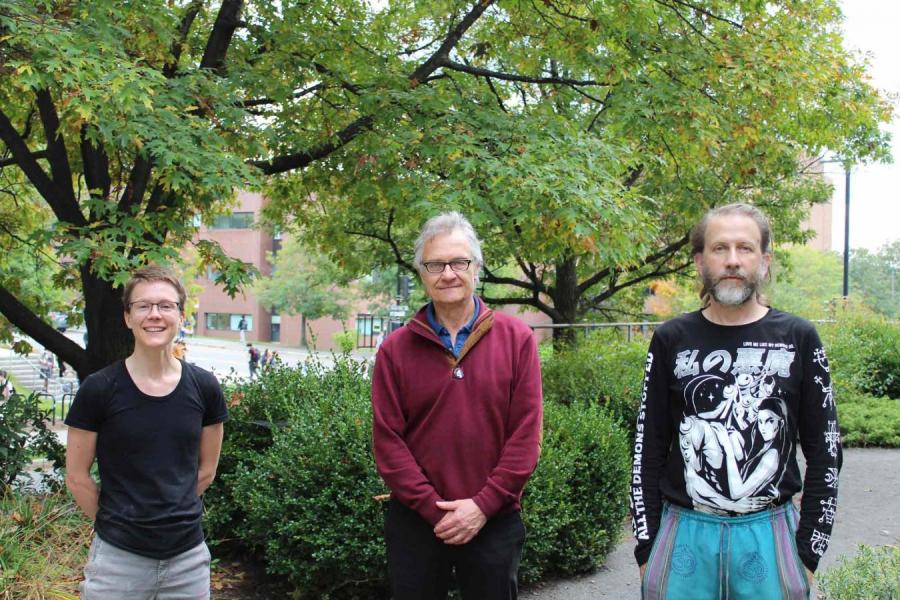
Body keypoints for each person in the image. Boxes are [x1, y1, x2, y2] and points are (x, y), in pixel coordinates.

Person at [630, 204, 841, 600]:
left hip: (769, 532)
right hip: (684, 534)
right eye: (719, 248)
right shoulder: (671, 339)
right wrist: (647, 548)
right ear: (699, 261)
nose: (732, 260)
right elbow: (647, 448)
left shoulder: (798, 338)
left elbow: (826, 451)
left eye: (745, 248)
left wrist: (808, 553)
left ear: (764, 261)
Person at [371, 212, 543, 600]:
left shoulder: (517, 340)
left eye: (459, 262)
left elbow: (525, 436)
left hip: (495, 520)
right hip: (416, 522)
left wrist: (481, 506)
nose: (447, 273)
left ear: (476, 268)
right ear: (421, 273)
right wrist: (437, 511)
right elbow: (388, 443)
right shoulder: (395, 351)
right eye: (435, 264)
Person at [64, 265, 227, 598]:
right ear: (127, 317)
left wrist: (169, 514)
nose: (155, 315)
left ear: (181, 316)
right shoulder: (99, 389)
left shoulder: (205, 387)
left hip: (188, 562)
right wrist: (119, 526)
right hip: (117, 562)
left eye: (165, 306)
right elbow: (77, 477)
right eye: (144, 306)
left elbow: (207, 470)